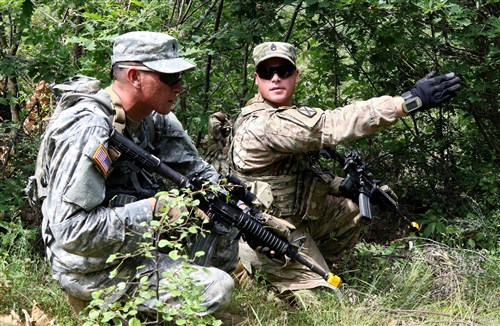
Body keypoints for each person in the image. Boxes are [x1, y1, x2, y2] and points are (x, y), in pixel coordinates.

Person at [28, 31, 235, 320]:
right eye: (170, 78)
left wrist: (244, 208)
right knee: (217, 288)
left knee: (226, 227)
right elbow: (70, 232)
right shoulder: (89, 129)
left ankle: (155, 307)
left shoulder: (154, 118)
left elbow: (197, 171)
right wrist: (154, 211)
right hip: (86, 262)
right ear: (135, 76)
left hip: (127, 241)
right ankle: (100, 306)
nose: (180, 88)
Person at [229, 42, 461, 296]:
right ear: (256, 79)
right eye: (267, 72)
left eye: (283, 71)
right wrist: (404, 103)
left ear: (295, 76)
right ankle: (257, 275)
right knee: (326, 301)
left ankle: (312, 265)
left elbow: (295, 175)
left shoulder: (284, 113)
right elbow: (330, 125)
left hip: (290, 221)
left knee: (352, 209)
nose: (275, 78)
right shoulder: (264, 124)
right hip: (264, 233)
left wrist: (341, 185)